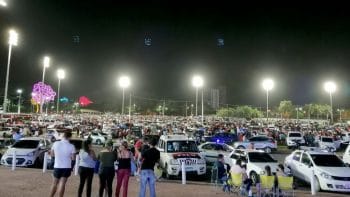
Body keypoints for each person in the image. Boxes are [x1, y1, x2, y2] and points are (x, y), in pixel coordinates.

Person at [49, 131, 76, 197]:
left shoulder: (55, 143)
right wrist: (72, 167)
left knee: (54, 183)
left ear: (63, 136)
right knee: (62, 183)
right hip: (67, 166)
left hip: (57, 165)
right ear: (70, 137)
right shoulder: (72, 146)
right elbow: (73, 158)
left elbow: (52, 154)